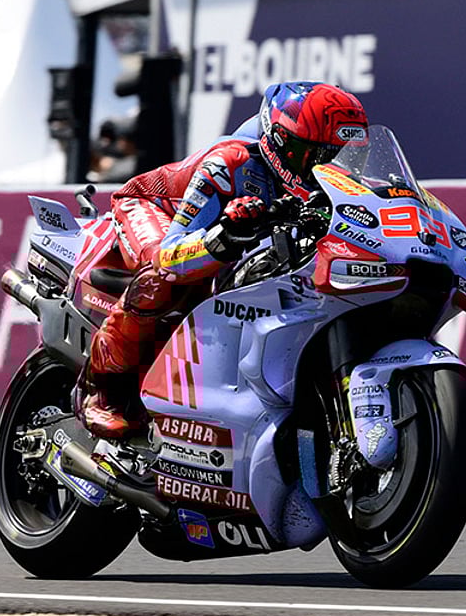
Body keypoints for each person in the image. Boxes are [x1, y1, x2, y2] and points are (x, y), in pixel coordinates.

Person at [77, 80, 369, 438]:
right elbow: (172, 254)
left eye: (338, 155)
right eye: (311, 153)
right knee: (162, 275)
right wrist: (223, 237)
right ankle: (103, 389)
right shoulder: (230, 163)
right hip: (153, 209)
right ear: (279, 140)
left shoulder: (335, 185)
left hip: (223, 236)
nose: (324, 166)